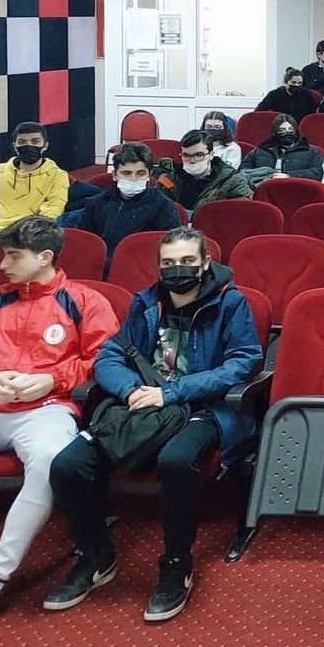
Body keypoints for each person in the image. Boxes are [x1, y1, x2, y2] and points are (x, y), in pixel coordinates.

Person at [46, 226, 262, 622]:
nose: (178, 269)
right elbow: (111, 355)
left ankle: (176, 561)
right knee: (67, 465)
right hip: (141, 405)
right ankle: (96, 554)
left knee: (176, 461)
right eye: (169, 263)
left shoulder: (230, 303)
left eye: (187, 261)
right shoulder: (145, 303)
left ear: (205, 263)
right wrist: (129, 390)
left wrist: (174, 392)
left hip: (202, 407)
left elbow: (243, 361)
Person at [0, 216, 116, 610]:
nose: (3, 265)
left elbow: (106, 362)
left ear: (45, 257)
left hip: (47, 409)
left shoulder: (84, 301)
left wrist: (53, 379)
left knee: (50, 460)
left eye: (13, 255)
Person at [78, 144, 181, 258]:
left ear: (149, 174)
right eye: (126, 173)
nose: (133, 179)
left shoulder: (164, 206)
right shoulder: (96, 204)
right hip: (101, 264)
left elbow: (170, 251)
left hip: (142, 265)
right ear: (114, 175)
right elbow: (83, 243)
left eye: (141, 173)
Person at [153, 131, 251, 214]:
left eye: (199, 155)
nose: (192, 160)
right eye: (186, 155)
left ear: (211, 155)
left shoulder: (232, 179)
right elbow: (157, 210)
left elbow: (241, 211)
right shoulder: (169, 179)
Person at [0, 123, 70, 229]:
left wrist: (32, 228)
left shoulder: (57, 175)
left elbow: (55, 207)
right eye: (22, 142)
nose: (28, 146)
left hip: (26, 231)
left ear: (45, 145)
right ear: (15, 146)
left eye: (35, 142)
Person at [239, 115, 324, 185]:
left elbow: (317, 172)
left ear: (296, 131)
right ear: (275, 132)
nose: (287, 133)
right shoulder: (261, 150)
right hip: (263, 187)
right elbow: (244, 169)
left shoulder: (311, 151)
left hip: (296, 187)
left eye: (291, 130)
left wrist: (289, 175)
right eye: (282, 131)